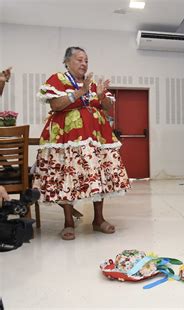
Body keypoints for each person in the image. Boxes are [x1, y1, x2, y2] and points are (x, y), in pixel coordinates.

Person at [34, 47, 130, 240]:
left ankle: (98, 219)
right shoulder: (58, 79)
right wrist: (81, 91)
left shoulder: (93, 84)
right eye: (79, 60)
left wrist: (102, 97)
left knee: (98, 173)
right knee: (66, 175)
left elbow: (109, 107)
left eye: (86, 60)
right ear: (67, 62)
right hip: (66, 139)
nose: (84, 64)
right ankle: (68, 222)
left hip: (96, 138)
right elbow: (56, 105)